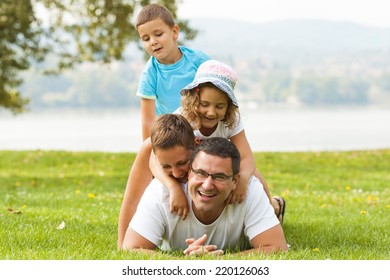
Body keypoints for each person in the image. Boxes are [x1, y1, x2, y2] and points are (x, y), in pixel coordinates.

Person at [122, 136, 288, 255]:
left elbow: (277, 248)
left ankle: (274, 208)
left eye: (219, 176)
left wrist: (217, 262)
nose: (207, 185)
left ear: (235, 181)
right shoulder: (161, 192)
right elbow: (131, 249)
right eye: (200, 173)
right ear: (188, 173)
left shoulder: (249, 189)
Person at [135, 3, 211, 140]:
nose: (153, 42)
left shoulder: (198, 60)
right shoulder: (150, 74)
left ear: (174, 32)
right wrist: (149, 153)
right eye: (146, 39)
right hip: (172, 135)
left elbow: (220, 90)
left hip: (204, 129)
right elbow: (147, 121)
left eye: (158, 34)